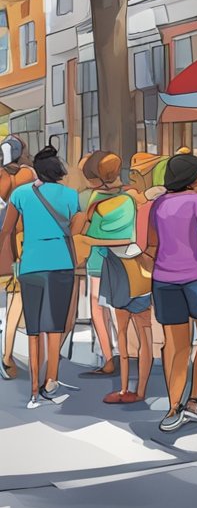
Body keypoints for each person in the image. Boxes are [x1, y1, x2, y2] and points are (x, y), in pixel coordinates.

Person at [0, 143, 80, 408]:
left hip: (30, 265)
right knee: (54, 328)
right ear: (59, 171)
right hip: (61, 265)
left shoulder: (21, 194)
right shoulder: (70, 195)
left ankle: (34, 391)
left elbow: (7, 230)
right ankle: (51, 382)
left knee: (33, 329)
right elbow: (76, 229)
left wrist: (13, 259)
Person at [143, 153, 197, 432]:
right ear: (194, 178)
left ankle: (173, 408)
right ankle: (194, 401)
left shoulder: (158, 203)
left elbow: (151, 243)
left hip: (164, 280)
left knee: (176, 345)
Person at [73, 151, 152, 403]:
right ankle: (140, 387)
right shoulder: (131, 198)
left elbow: (87, 234)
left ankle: (112, 363)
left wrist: (84, 238)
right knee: (143, 328)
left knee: (104, 311)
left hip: (106, 263)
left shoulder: (94, 200)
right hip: (134, 265)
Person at [70, 152, 117, 375]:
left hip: (97, 259)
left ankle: (108, 358)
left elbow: (77, 229)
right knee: (121, 309)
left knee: (99, 308)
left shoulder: (85, 198)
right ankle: (126, 354)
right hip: (124, 259)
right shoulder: (129, 195)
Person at [0, 136, 34, 380]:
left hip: (7, 243)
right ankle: (7, 354)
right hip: (12, 247)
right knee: (16, 302)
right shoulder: (25, 177)